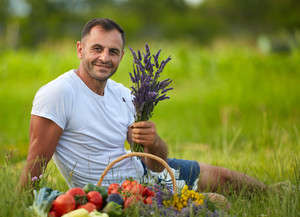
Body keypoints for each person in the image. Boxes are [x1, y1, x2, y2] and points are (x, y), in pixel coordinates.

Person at [19, 18, 267, 206]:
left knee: (224, 178)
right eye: (97, 49)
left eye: (113, 52)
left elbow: (156, 165)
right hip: (114, 194)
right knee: (217, 202)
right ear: (80, 50)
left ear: (122, 56)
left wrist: (154, 141)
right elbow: (35, 162)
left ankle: (278, 193)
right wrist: (27, 208)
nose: (105, 58)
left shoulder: (123, 93)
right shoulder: (58, 93)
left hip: (145, 172)